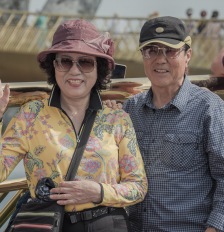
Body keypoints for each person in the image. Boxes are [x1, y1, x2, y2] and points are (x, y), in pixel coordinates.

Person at [0, 19, 147, 232]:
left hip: (107, 224)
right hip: (47, 224)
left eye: (85, 62)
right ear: (54, 66)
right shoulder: (30, 115)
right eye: (65, 61)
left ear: (99, 69)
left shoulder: (116, 118)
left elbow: (138, 187)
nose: (75, 71)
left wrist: (98, 192)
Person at [122, 16, 224, 232]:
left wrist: (215, 229)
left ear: (187, 55)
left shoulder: (209, 108)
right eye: (151, 50)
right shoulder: (129, 109)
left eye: (170, 51)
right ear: (143, 56)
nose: (160, 59)